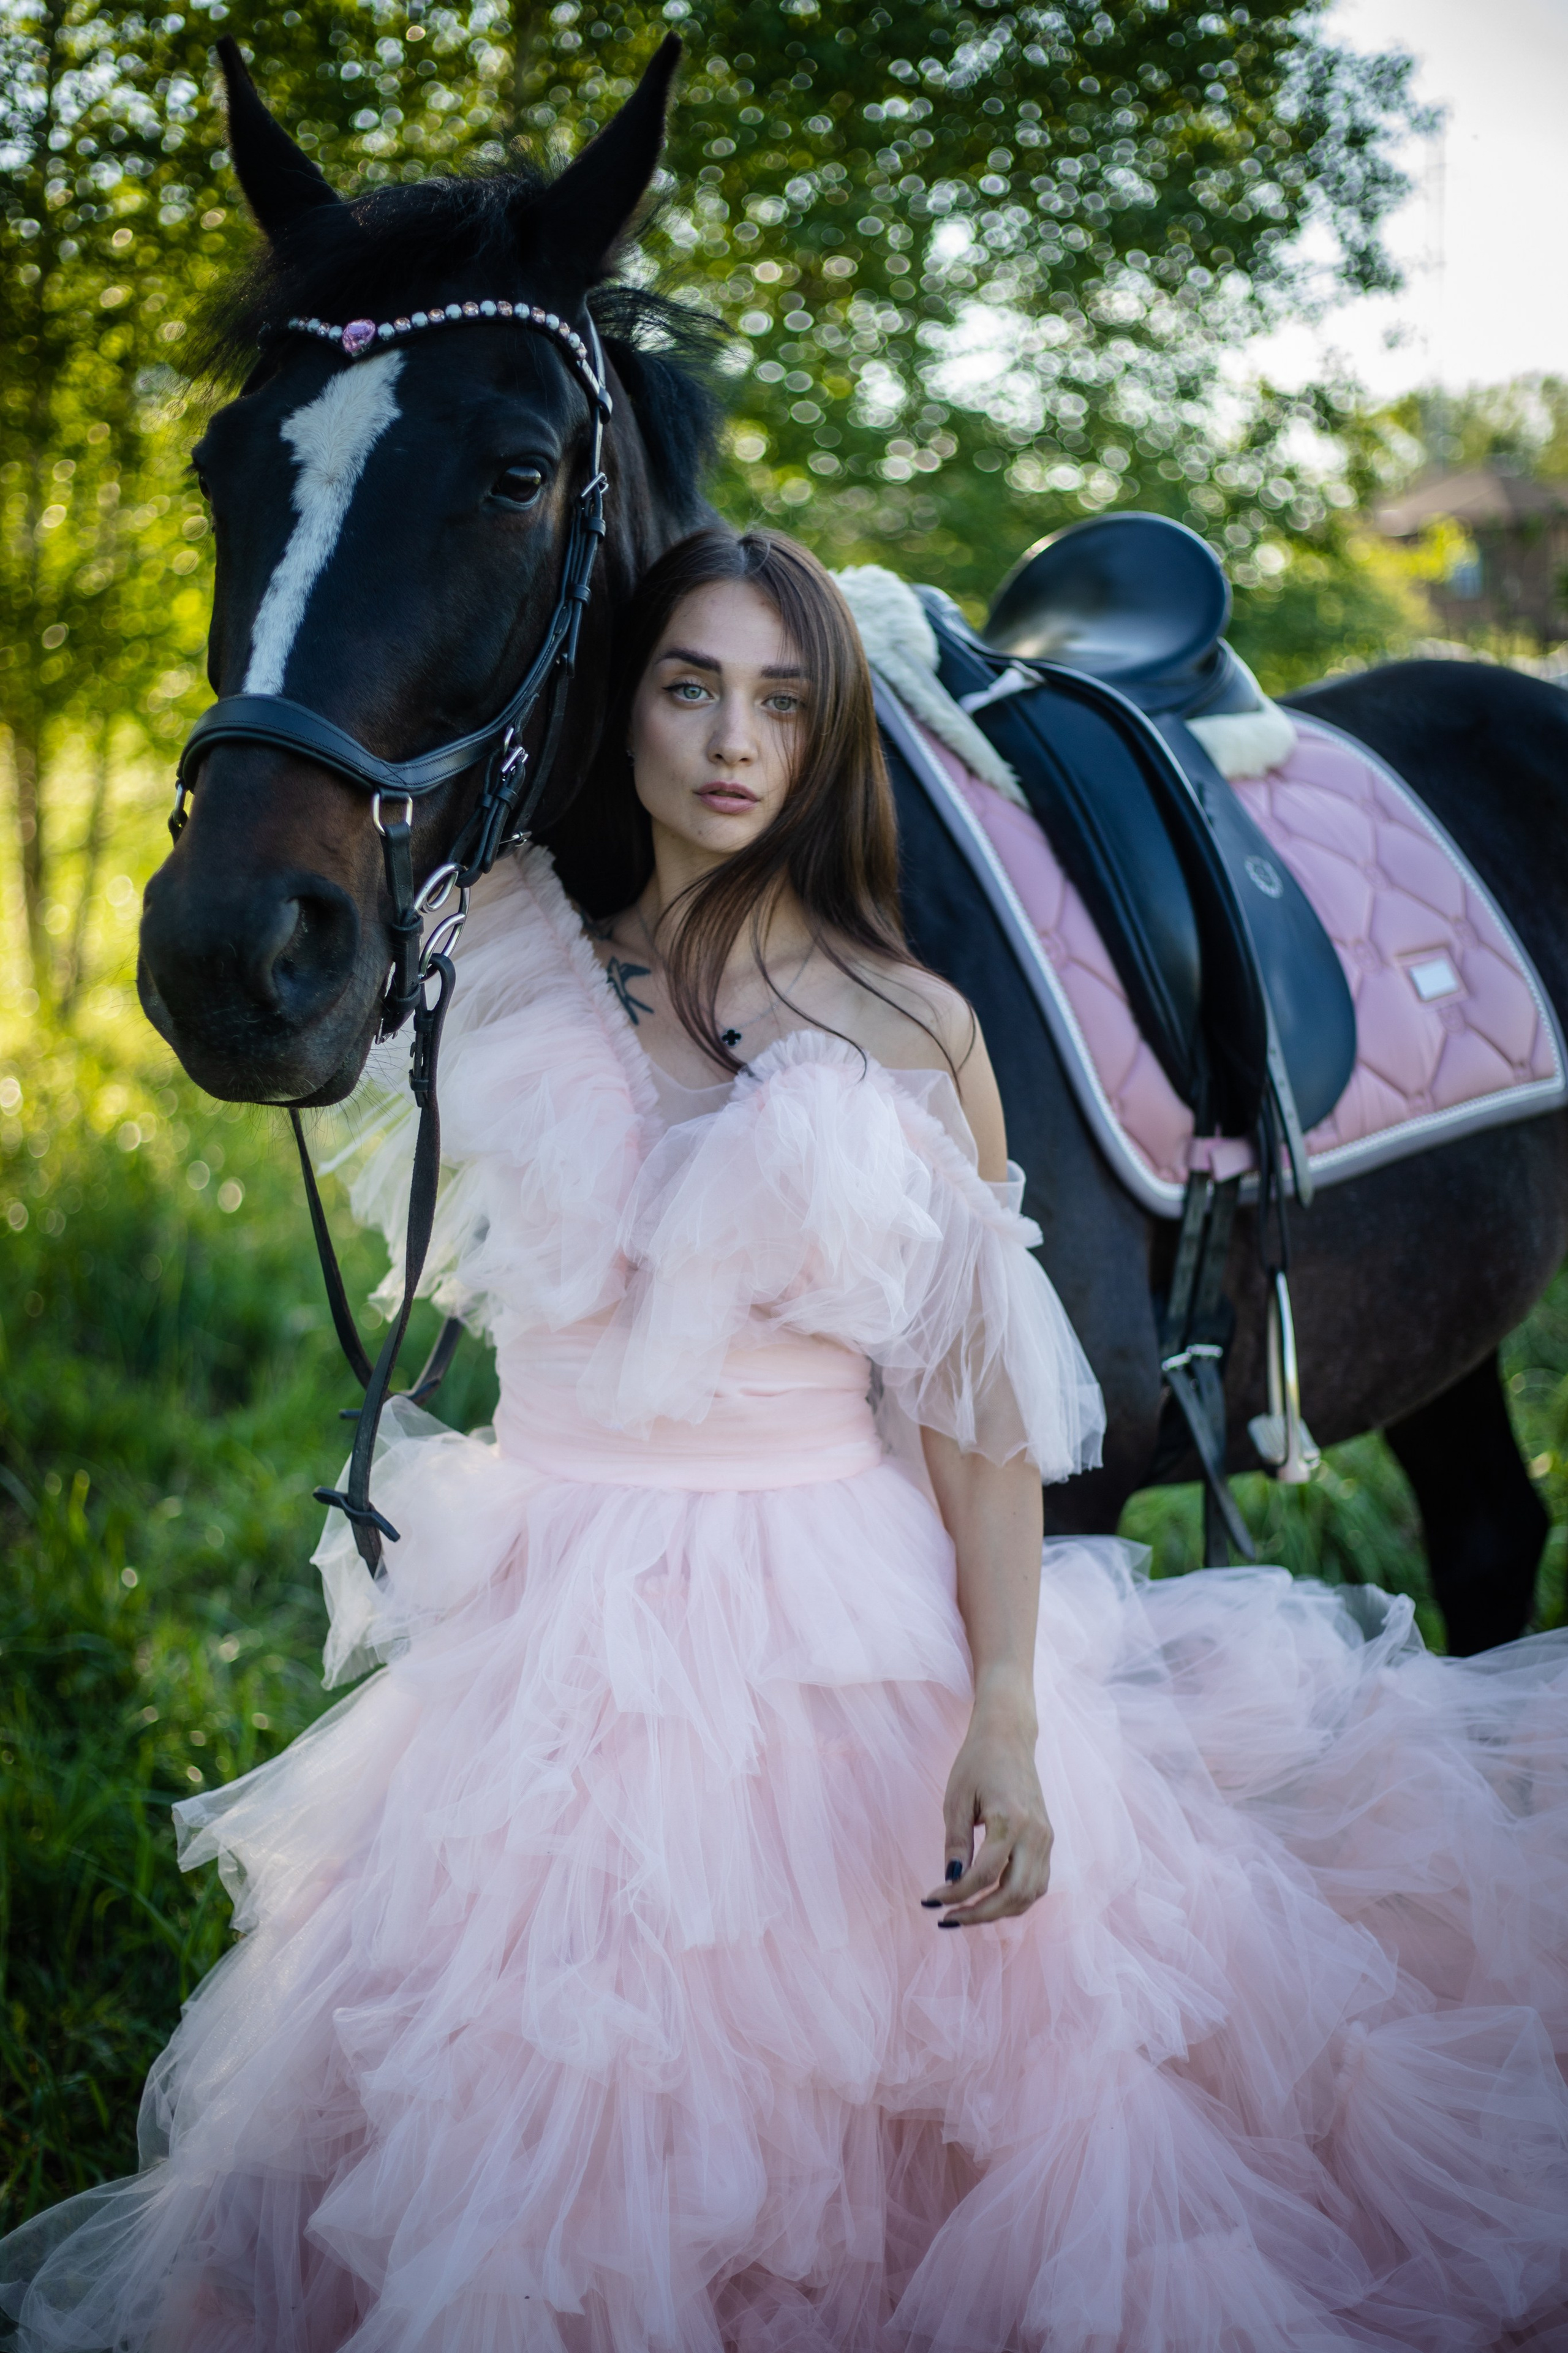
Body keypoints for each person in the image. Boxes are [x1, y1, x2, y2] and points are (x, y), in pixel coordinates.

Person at [4, 526, 1567, 2353]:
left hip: (830, 1633)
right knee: (497, 2116)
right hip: (553, 1634)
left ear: (828, 737)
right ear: (628, 707)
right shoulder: (504, 949)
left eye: (784, 700)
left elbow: (983, 1409)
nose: (734, 740)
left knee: (875, 2115)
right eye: (689, 689)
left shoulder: (915, 1023)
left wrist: (1001, 1706)